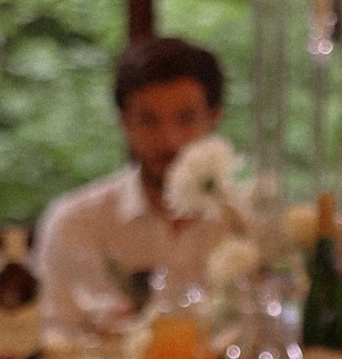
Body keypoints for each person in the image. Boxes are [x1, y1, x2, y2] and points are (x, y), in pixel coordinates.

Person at [33, 37, 232, 319]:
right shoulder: (75, 223)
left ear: (213, 117)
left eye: (186, 118)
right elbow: (53, 333)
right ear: (125, 122)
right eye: (149, 120)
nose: (169, 140)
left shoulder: (246, 224)